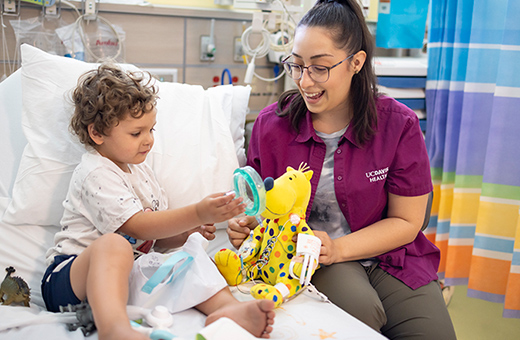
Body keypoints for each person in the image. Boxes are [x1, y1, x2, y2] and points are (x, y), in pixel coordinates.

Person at [227, 1, 456, 339]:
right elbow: (262, 207)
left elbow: (408, 221)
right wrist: (247, 226)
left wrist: (340, 248)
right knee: (361, 314)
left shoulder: (398, 125)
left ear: (356, 63)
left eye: (319, 68)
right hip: (312, 256)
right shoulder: (270, 127)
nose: (305, 81)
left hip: (392, 254)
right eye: (297, 65)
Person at [41, 64, 275, 340]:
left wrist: (185, 235)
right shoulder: (95, 172)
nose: (149, 140)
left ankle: (226, 309)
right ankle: (114, 329)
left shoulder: (141, 172)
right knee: (114, 245)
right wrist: (198, 212)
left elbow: (155, 240)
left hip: (125, 279)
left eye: (151, 130)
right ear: (97, 133)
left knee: (188, 255)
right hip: (70, 281)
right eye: (136, 133)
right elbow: (138, 227)